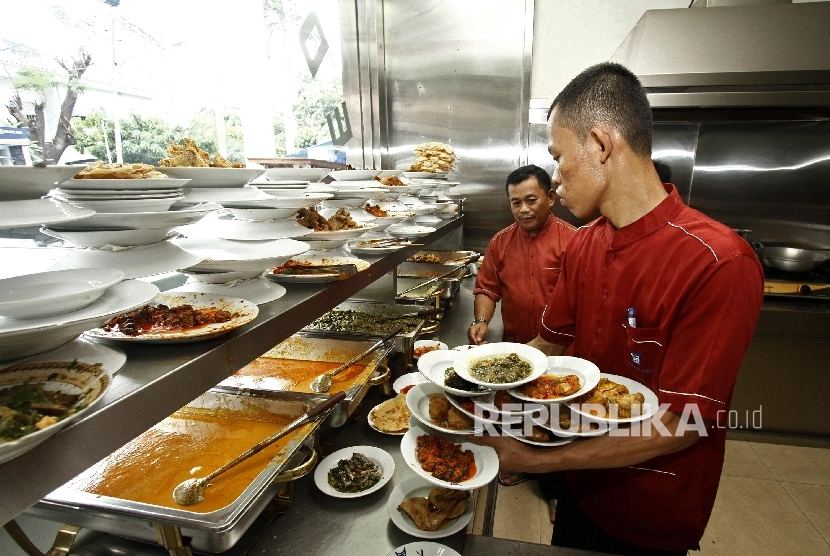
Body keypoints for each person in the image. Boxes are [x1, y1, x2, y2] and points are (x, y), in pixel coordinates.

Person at [469, 62, 764, 555]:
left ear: (602, 145)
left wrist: (531, 458)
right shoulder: (585, 246)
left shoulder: (717, 261)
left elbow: (679, 424)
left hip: (650, 504)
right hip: (582, 483)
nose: (556, 179)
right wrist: (474, 386)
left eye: (559, 158)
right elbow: (545, 347)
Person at [468, 164, 576, 345]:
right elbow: (487, 289)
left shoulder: (574, 241)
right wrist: (481, 321)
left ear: (550, 198)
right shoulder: (499, 242)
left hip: (561, 349)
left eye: (531, 200)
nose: (523, 209)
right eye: (516, 203)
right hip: (515, 347)